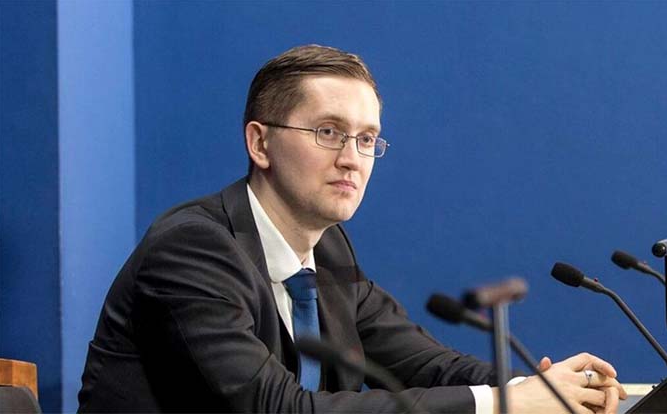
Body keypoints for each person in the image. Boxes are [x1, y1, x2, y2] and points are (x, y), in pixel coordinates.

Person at [78, 44, 626, 414]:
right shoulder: (193, 249)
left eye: (366, 139)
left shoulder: (329, 248)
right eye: (328, 132)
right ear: (260, 143)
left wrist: (536, 387)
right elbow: (278, 408)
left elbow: (423, 363)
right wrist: (504, 404)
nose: (352, 158)